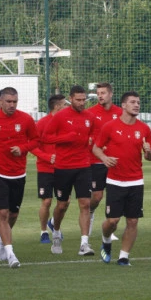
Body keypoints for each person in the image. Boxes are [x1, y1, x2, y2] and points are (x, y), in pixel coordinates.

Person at [0, 87, 39, 268]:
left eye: (15, 102)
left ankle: (0, 238)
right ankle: (11, 254)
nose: (12, 105)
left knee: (13, 214)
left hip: (18, 173)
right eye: (8, 102)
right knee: (2, 213)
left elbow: (36, 140)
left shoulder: (26, 119)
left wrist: (23, 149)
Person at [92, 91, 151, 266]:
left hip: (136, 181)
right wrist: (104, 158)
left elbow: (150, 157)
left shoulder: (144, 129)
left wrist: (149, 151)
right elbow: (96, 148)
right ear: (124, 105)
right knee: (112, 221)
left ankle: (123, 256)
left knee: (133, 221)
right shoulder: (110, 127)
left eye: (138, 102)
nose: (136, 105)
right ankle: (106, 240)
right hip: (115, 181)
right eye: (133, 102)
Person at [43, 85, 96, 256]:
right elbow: (46, 137)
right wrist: (65, 138)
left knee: (85, 204)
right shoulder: (60, 116)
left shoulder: (89, 117)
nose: (82, 103)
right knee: (62, 205)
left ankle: (84, 244)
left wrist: (92, 140)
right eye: (78, 100)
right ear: (70, 99)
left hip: (84, 166)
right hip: (63, 167)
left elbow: (95, 134)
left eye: (84, 100)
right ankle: (56, 233)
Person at [86, 82, 123, 239]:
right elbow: (86, 132)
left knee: (114, 196)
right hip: (96, 160)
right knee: (97, 196)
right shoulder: (90, 112)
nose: (100, 96)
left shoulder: (120, 112)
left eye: (103, 93)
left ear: (111, 94)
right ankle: (90, 212)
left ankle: (109, 228)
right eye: (98, 93)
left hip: (114, 161)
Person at [30, 94, 67, 244]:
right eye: (64, 105)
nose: (67, 107)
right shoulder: (42, 124)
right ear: (57, 106)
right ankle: (44, 231)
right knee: (47, 201)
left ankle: (53, 223)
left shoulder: (67, 123)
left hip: (64, 168)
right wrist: (46, 157)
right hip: (45, 168)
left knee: (65, 202)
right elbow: (32, 146)